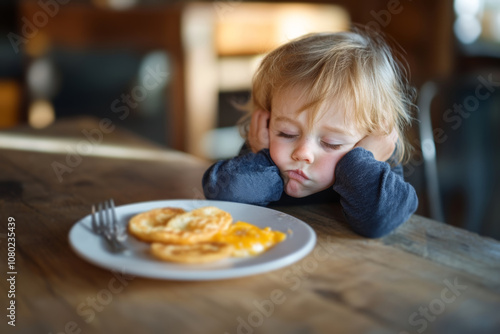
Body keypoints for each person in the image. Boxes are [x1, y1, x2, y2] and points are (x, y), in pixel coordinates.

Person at [202, 28, 418, 238]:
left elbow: (378, 222)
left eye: (331, 143)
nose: (302, 153)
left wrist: (361, 162)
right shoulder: (265, 152)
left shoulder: (376, 169)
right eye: (287, 133)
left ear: (371, 138)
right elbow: (221, 193)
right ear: (268, 120)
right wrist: (264, 155)